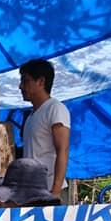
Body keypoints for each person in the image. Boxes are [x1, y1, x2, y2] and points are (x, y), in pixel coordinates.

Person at [18, 59, 71, 201]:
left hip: (50, 191)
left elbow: (63, 150)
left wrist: (56, 191)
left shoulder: (55, 108)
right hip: (31, 194)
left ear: (41, 82)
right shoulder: (30, 117)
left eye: (26, 81)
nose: (20, 87)